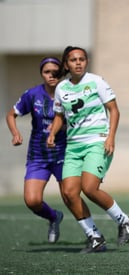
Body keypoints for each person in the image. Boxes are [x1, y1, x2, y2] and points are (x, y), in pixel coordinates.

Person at [46, 46, 129, 253]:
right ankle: (94, 236)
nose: (78, 63)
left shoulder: (96, 81)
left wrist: (110, 137)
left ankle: (124, 220)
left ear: (86, 62)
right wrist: (52, 133)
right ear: (66, 64)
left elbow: (114, 110)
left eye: (82, 59)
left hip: (97, 141)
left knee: (90, 187)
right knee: (68, 193)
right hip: (73, 146)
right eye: (73, 60)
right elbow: (59, 116)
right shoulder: (61, 88)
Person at [6, 57, 65, 243]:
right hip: (38, 156)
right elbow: (11, 114)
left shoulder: (69, 93)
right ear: (42, 74)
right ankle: (54, 217)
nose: (51, 75)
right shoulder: (32, 95)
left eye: (55, 71)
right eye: (47, 72)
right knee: (32, 200)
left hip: (64, 154)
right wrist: (15, 133)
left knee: (71, 197)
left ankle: (93, 236)